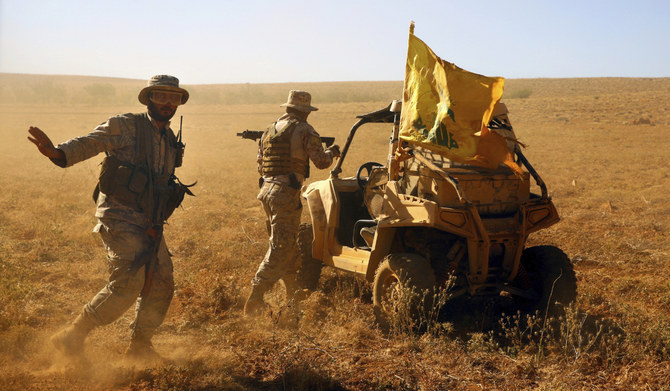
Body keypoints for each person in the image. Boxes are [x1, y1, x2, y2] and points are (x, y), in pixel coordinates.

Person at [27, 75, 192, 361]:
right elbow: (91, 142)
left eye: (174, 98)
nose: (168, 102)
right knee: (128, 284)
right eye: (161, 96)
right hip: (119, 216)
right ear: (149, 98)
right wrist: (58, 153)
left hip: (150, 222)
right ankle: (72, 335)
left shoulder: (169, 138)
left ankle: (140, 347)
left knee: (162, 282)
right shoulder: (125, 125)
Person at [244, 90, 340, 316]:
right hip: (286, 194)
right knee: (281, 246)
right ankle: (256, 295)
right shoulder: (305, 130)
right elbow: (322, 162)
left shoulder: (268, 130)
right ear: (305, 111)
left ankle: (292, 294)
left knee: (289, 243)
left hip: (267, 192)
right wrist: (332, 151)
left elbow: (260, 165)